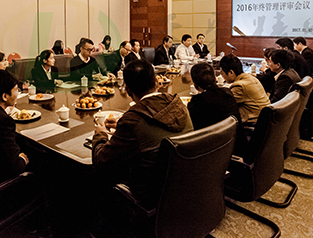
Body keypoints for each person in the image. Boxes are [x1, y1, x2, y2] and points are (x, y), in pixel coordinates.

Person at [92, 60, 193, 202]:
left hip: (151, 194)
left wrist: (100, 133)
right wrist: (122, 125)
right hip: (185, 182)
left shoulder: (133, 121)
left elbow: (102, 161)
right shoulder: (179, 104)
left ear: (127, 90)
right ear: (157, 83)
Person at [219, 54, 270, 124]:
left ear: (231, 72)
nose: (222, 76)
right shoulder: (250, 78)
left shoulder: (239, 86)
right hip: (264, 120)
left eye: (222, 73)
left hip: (254, 124)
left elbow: (224, 105)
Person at [188, 63, 240, 130]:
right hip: (235, 138)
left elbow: (193, 126)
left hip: (211, 139)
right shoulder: (227, 93)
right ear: (215, 78)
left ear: (195, 85)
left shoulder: (198, 101)